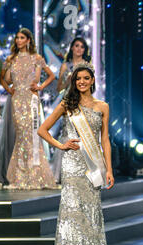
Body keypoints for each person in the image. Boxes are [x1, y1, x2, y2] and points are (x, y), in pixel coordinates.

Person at [38, 62, 122, 245]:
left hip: (93, 166)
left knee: (91, 214)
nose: (82, 82)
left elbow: (105, 140)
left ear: (92, 80)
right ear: (74, 82)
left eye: (86, 78)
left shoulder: (102, 106)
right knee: (72, 214)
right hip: (73, 165)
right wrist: (61, 144)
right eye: (78, 79)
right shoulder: (68, 104)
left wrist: (109, 169)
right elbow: (42, 129)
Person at [0, 27, 57, 189]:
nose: (19, 40)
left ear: (28, 40)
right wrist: (9, 90)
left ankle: (35, 175)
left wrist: (40, 86)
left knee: (32, 135)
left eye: (22, 37)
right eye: (17, 38)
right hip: (16, 100)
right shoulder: (11, 59)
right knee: (22, 135)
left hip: (31, 100)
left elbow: (51, 75)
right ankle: (19, 176)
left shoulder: (36, 58)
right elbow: (2, 79)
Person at [51, 37, 92, 183]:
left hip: (83, 102)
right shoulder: (65, 66)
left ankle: (83, 172)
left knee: (83, 133)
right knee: (68, 134)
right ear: (72, 48)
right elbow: (59, 88)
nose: (79, 49)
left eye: (82, 46)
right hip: (69, 102)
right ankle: (61, 173)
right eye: (77, 46)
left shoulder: (87, 65)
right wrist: (67, 82)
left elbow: (92, 86)